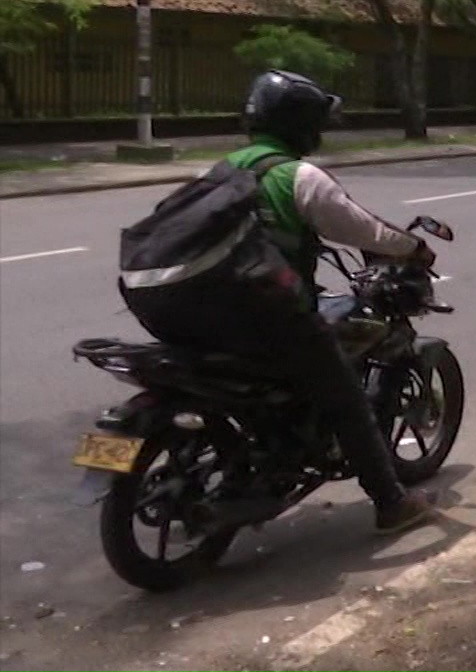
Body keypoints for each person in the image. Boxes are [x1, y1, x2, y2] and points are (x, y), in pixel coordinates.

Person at [139, 71, 440, 534]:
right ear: (302, 125)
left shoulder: (218, 170)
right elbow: (362, 229)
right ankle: (391, 503)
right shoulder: (296, 176)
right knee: (344, 393)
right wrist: (413, 248)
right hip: (254, 315)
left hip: (174, 311)